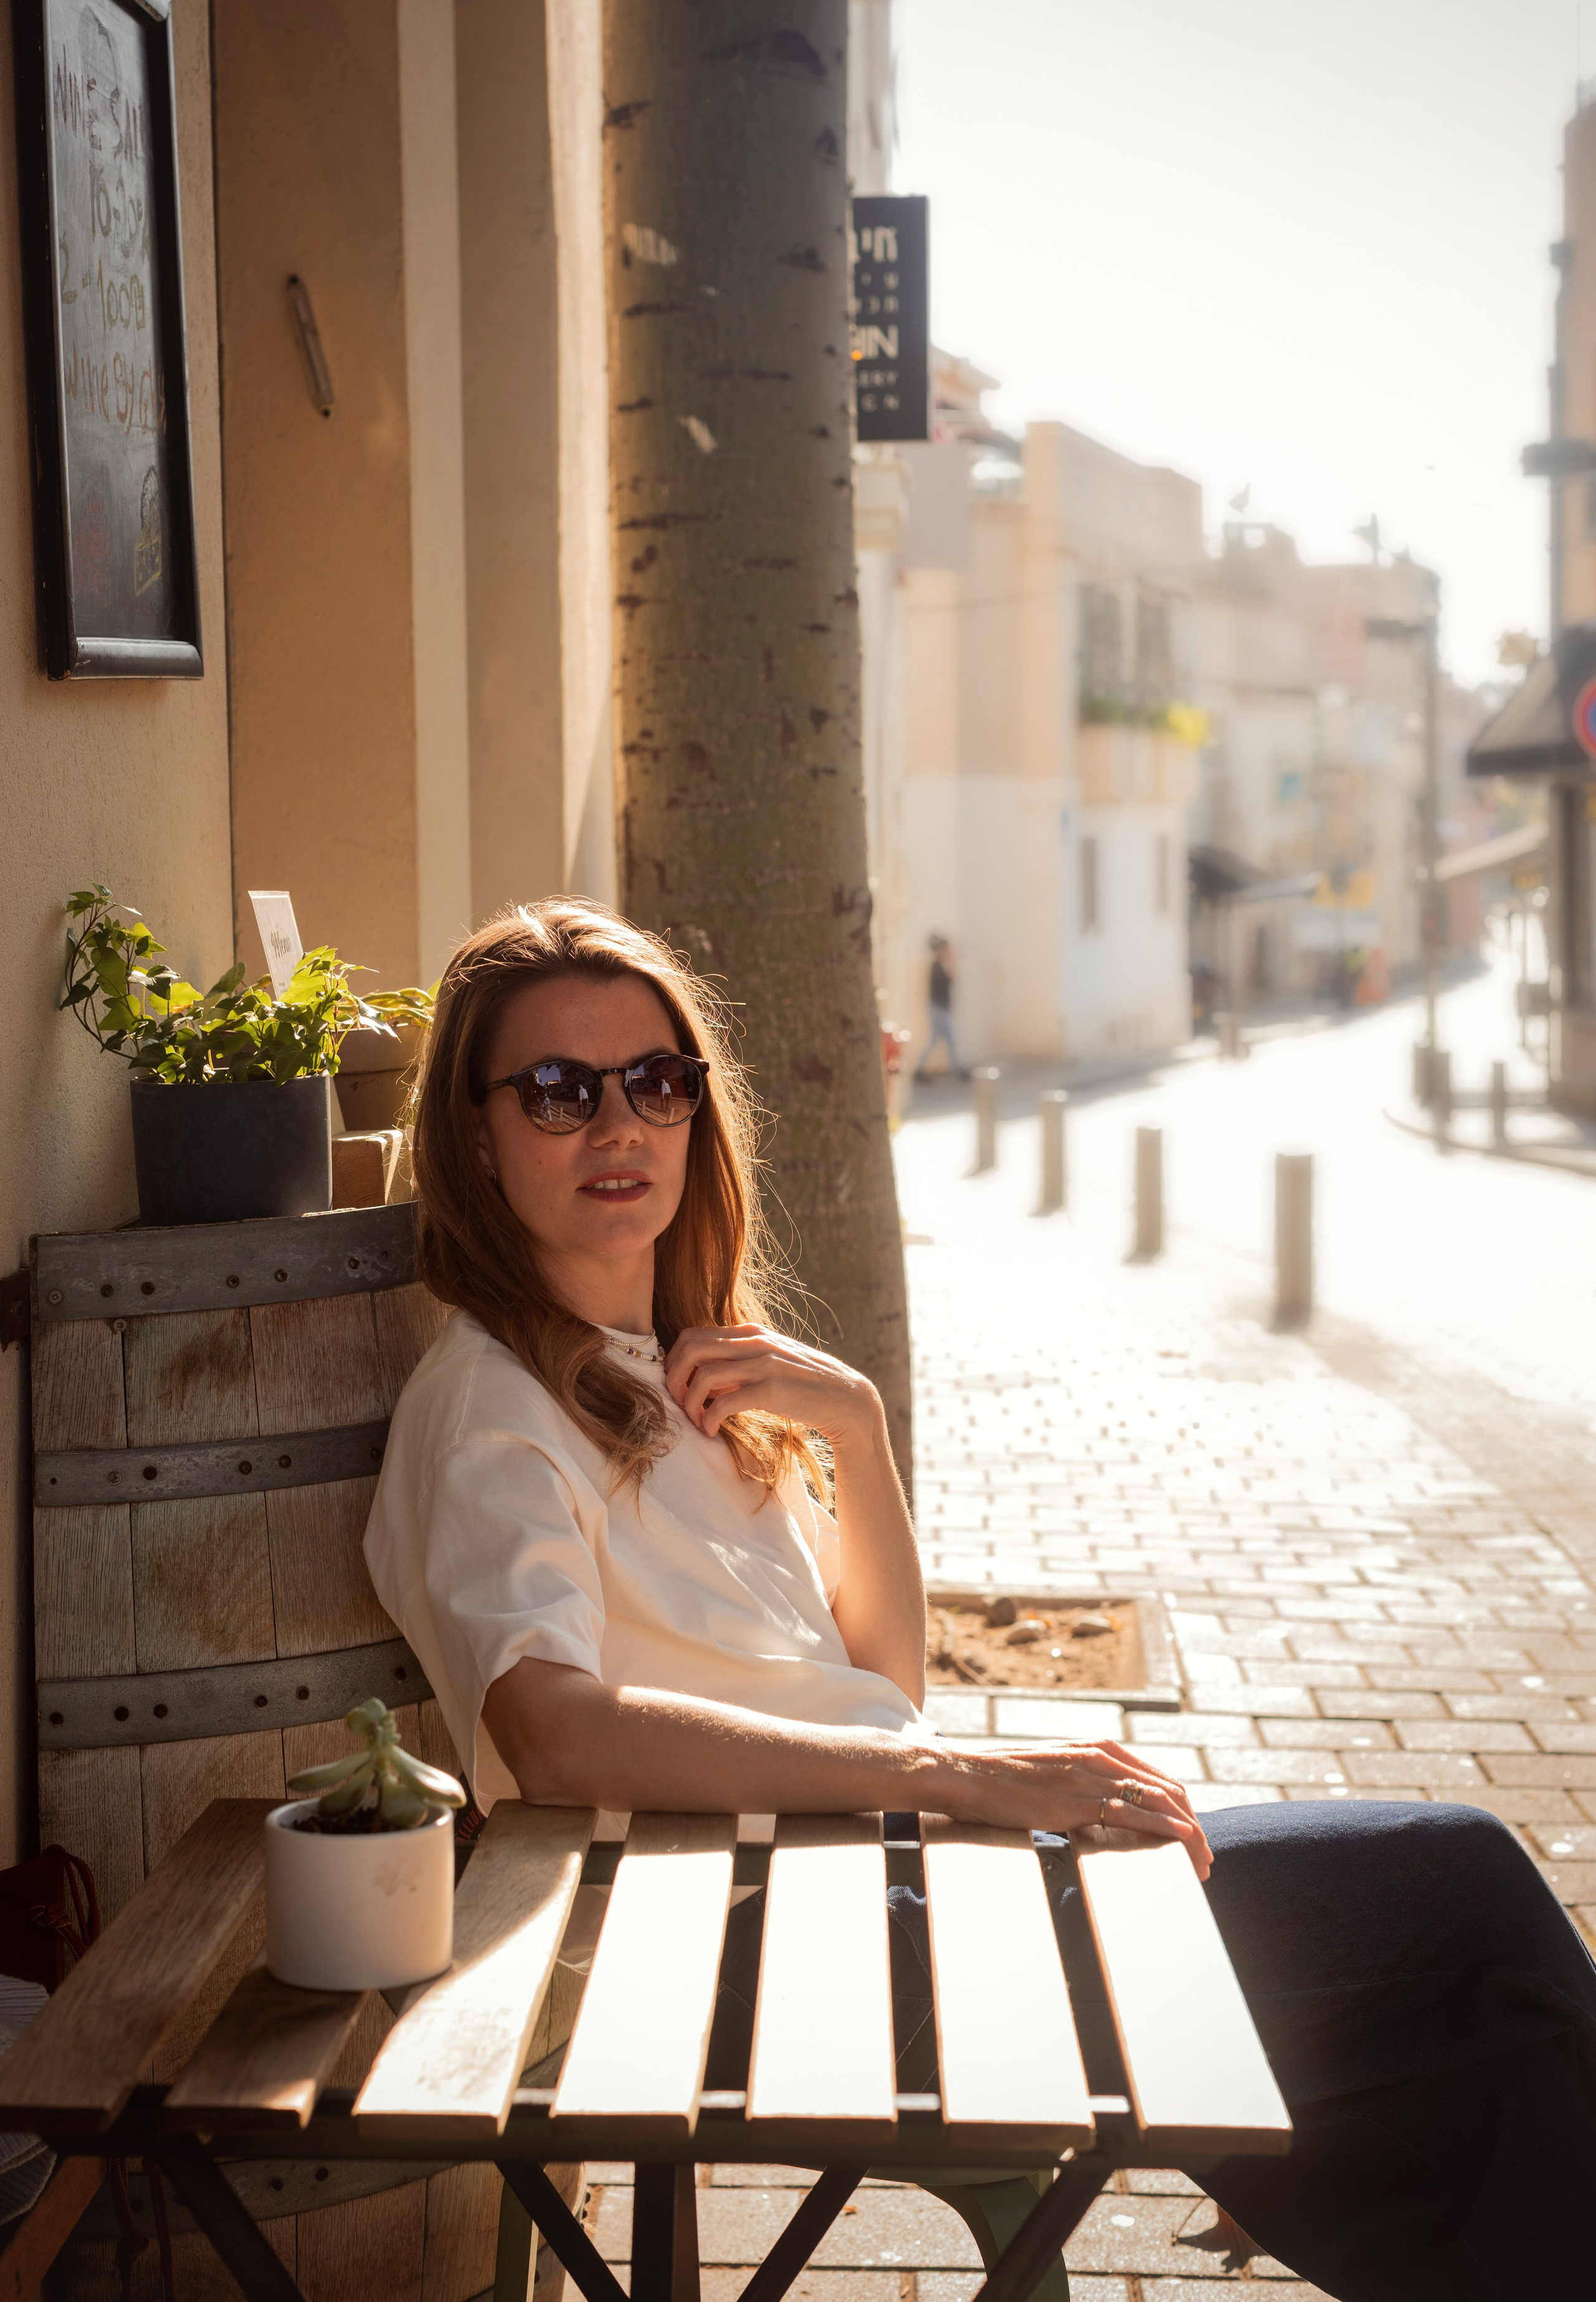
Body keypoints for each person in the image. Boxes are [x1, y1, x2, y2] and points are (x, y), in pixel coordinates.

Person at [367, 898, 1596, 2302]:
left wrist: (858, 1430)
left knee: (1481, 2010)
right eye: (555, 1091)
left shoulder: (676, 1371)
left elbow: (880, 1689)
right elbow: (556, 1735)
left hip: (872, 1892)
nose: (616, 1126)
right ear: (473, 1135)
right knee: (1460, 1900)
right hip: (752, 1946)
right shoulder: (490, 1410)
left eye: (654, 1081)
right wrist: (965, 1780)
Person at [914, 935, 967, 1079]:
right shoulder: (936, 966)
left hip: (940, 1009)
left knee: (936, 1040)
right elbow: (949, 982)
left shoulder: (939, 965)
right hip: (939, 1009)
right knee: (949, 1040)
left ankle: (920, 1070)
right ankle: (959, 1071)